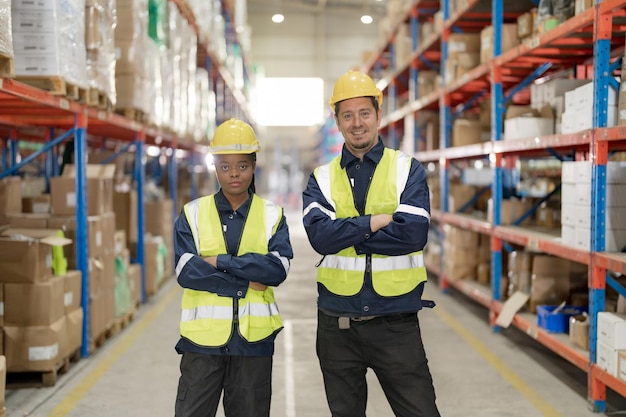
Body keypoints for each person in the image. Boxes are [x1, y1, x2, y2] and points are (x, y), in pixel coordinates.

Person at [302, 70, 441, 417]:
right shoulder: (321, 178)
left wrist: (348, 235)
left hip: (395, 322)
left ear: (378, 115)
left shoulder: (407, 170)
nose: (357, 123)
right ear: (337, 121)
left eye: (364, 113)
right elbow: (320, 238)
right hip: (337, 326)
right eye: (347, 115)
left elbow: (412, 235)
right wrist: (375, 223)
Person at [173, 118, 293, 417]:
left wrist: (220, 262)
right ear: (214, 167)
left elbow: (276, 269)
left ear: (254, 166)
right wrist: (242, 283)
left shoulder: (272, 214)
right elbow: (186, 271)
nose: (234, 174)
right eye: (225, 166)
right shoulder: (193, 213)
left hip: (253, 345)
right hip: (202, 343)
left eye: (242, 165)